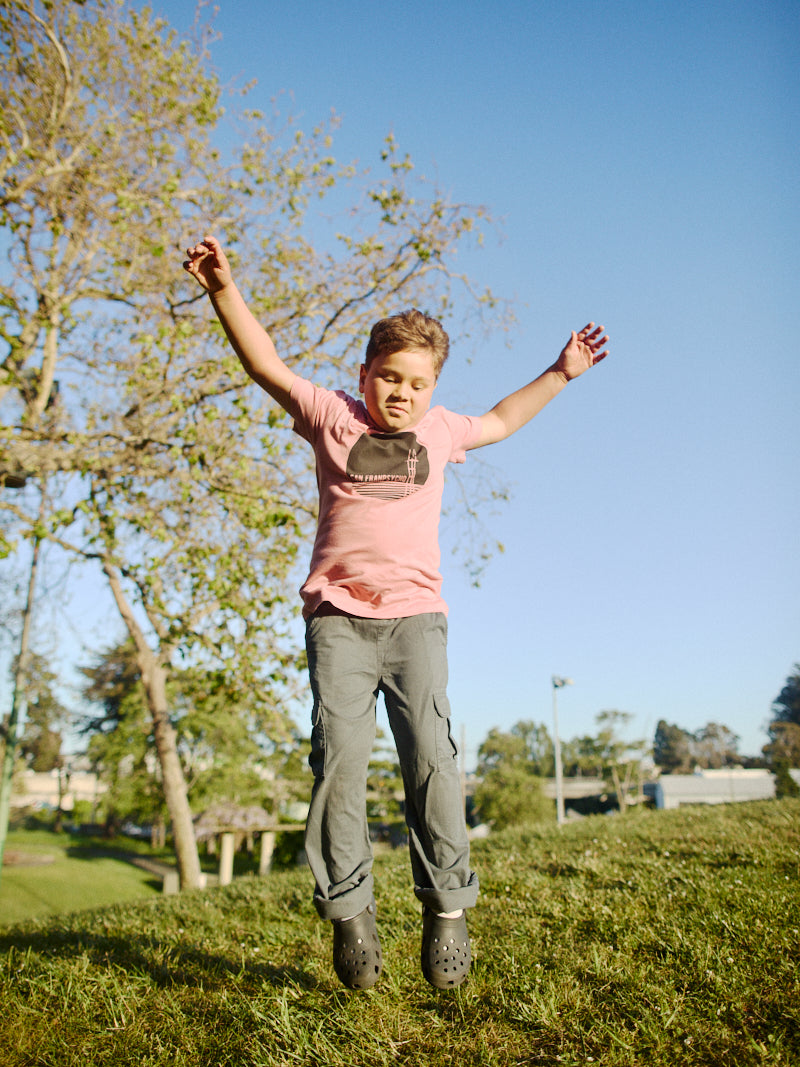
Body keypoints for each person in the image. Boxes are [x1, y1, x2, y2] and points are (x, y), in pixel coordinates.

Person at [183, 235, 609, 991]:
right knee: (338, 770)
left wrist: (559, 373)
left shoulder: (440, 433)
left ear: (433, 389)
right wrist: (223, 290)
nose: (402, 392)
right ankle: (351, 912)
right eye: (389, 377)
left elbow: (504, 419)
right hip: (339, 623)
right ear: (365, 376)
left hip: (416, 624)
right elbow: (265, 366)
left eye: (418, 381)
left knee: (434, 767)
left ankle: (447, 907)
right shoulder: (331, 417)